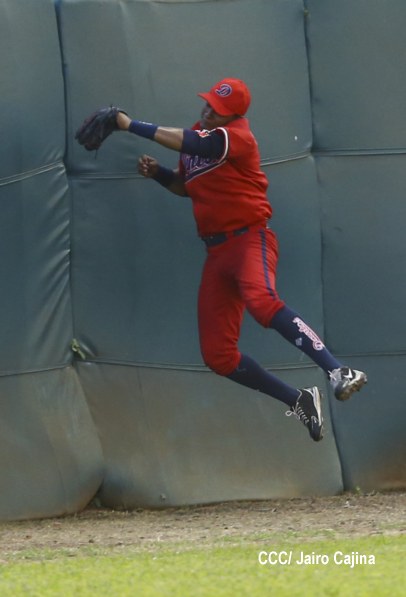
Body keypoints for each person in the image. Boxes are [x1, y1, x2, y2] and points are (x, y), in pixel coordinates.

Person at [115, 78, 367, 442]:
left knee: (263, 303)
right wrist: (158, 174)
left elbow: (198, 143)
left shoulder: (238, 136)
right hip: (217, 252)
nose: (208, 111)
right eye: (208, 103)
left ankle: (338, 371)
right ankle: (298, 400)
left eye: (217, 110)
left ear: (233, 116)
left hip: (250, 238)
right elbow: (186, 187)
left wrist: (128, 125)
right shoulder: (200, 136)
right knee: (218, 355)